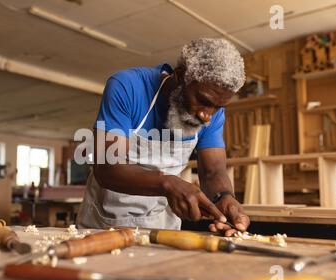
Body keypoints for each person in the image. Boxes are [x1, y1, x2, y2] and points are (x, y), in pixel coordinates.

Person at [77, 38, 250, 236]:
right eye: (203, 101)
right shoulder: (128, 87)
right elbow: (107, 167)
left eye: (218, 107)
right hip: (104, 224)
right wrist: (168, 183)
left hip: (162, 226)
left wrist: (224, 197)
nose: (207, 116)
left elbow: (213, 172)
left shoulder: (212, 112)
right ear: (180, 76)